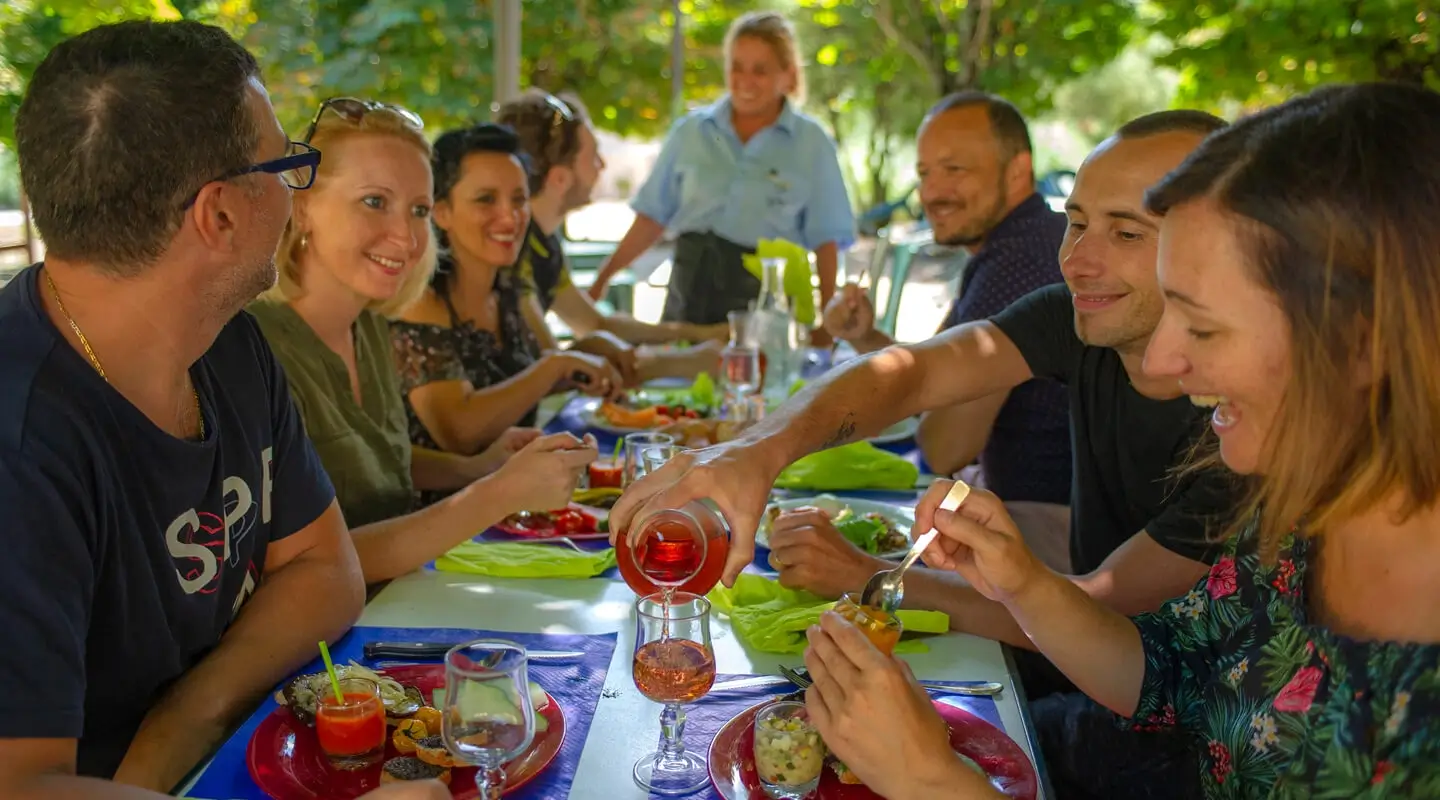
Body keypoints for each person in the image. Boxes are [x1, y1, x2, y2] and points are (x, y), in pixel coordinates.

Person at [805, 81, 1440, 799]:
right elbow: (1165, 672)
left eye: (1202, 326)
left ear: (1365, 343)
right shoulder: (1296, 521)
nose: (1167, 362)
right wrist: (1020, 580)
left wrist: (933, 781)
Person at [615, 110, 1235, 797]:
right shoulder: (1080, 317)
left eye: (1125, 232)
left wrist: (874, 577)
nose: (1076, 259)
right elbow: (909, 373)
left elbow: (1107, 625)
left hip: (1165, 757)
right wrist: (758, 451)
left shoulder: (1246, 436)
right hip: (1094, 699)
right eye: (1077, 221)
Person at [0, 20, 443, 799]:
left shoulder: (229, 345)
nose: (295, 188)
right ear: (221, 215)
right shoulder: (22, 442)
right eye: (287, 164)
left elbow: (324, 570)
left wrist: (182, 722)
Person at [250, 97, 598, 582]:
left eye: (417, 210)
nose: (406, 235)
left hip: (403, 599)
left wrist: (477, 467)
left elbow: (379, 462)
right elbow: (309, 563)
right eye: (375, 202)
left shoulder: (368, 322)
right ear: (302, 208)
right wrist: (499, 492)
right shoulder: (254, 348)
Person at [817, 91, 1072, 570]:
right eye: (924, 174)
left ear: (1017, 171)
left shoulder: (1019, 260)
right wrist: (867, 337)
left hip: (1051, 537)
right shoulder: (1023, 239)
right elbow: (943, 371)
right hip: (1024, 516)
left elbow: (943, 446)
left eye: (955, 170)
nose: (932, 192)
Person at [586, 11, 855, 329]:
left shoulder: (811, 143)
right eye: (736, 67)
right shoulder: (690, 132)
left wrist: (826, 322)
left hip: (766, 311)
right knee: (677, 375)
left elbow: (825, 241)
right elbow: (652, 217)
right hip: (686, 303)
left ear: (788, 74)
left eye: (760, 71)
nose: (745, 81)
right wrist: (602, 279)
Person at [392, 123, 622, 466]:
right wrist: (555, 365)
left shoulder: (511, 289)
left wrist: (591, 353)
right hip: (448, 510)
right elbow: (459, 431)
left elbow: (529, 381)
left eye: (519, 199)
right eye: (486, 199)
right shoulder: (421, 299)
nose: (510, 217)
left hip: (521, 497)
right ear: (441, 212)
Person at [495, 89, 727, 386]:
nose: (602, 166)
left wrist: (699, 334)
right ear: (560, 179)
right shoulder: (515, 248)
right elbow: (550, 369)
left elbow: (595, 323)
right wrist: (682, 362)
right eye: (593, 157)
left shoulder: (542, 242)